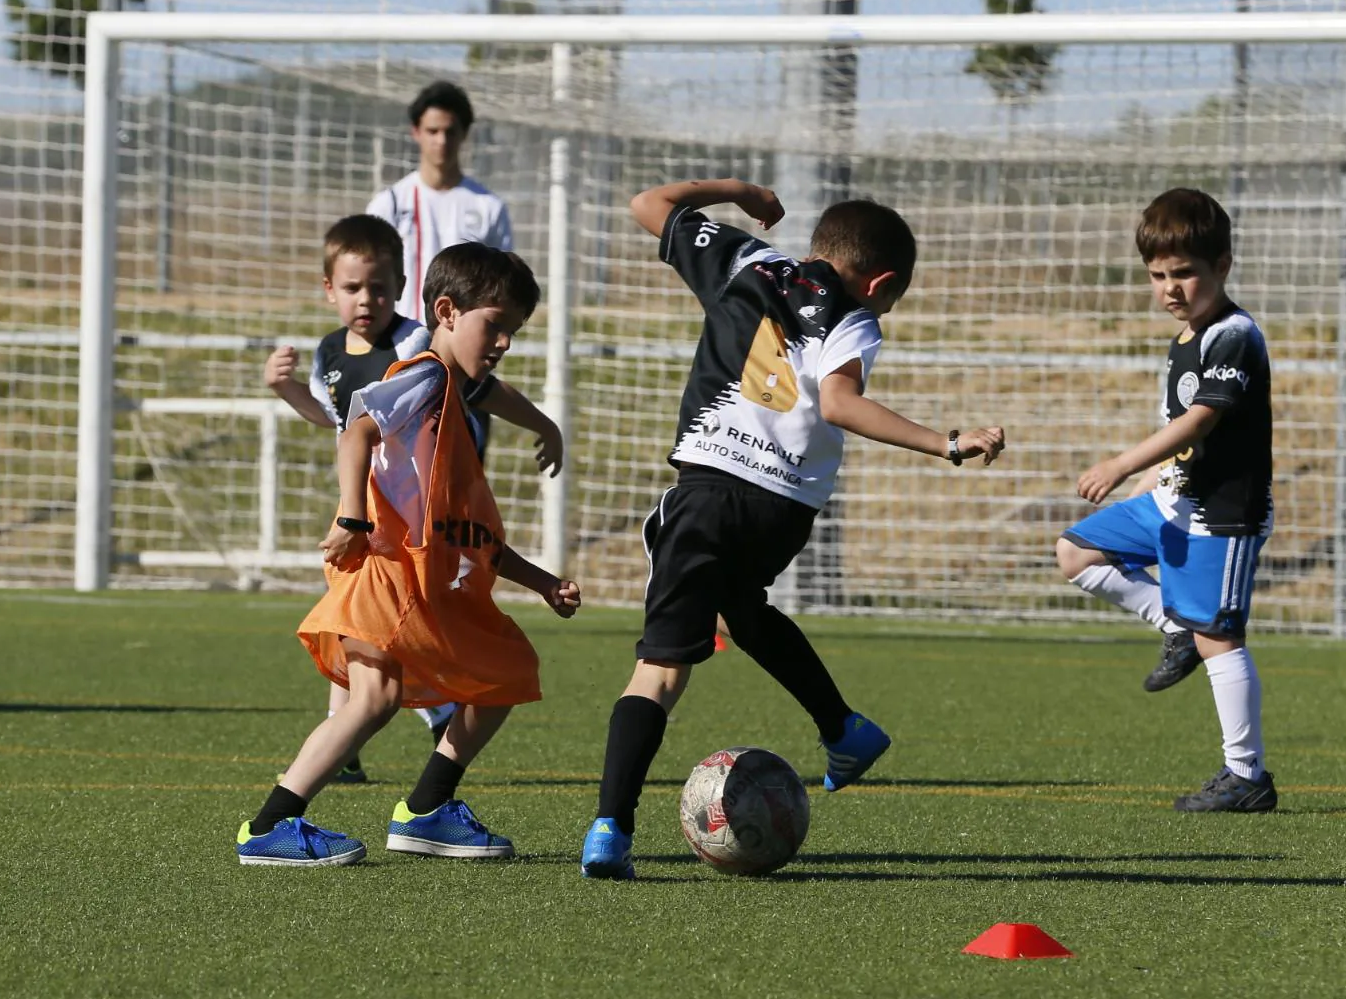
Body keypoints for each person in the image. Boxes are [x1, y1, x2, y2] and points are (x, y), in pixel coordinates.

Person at [578, 179, 1006, 880]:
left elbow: (647, 204)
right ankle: (843, 728)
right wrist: (945, 441)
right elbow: (839, 400)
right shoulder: (857, 317)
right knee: (742, 606)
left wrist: (739, 191)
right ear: (883, 280)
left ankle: (610, 829)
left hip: (710, 492)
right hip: (782, 510)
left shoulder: (748, 260)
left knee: (656, 674)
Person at [237, 243, 581, 866]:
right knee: (380, 699)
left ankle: (425, 811)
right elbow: (356, 428)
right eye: (495, 325)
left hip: (422, 579)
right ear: (447, 312)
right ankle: (274, 826)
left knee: (500, 674)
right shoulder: (423, 376)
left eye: (514, 331)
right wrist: (352, 514)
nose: (504, 341)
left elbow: (469, 530)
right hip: (390, 573)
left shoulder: (451, 393)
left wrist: (541, 581)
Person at [1055, 188, 1276, 813]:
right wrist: (1152, 487)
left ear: (1222, 267)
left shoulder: (1234, 335)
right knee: (1077, 551)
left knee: (1220, 638)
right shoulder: (1187, 335)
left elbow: (1203, 419)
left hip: (1221, 516)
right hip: (1173, 503)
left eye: (1185, 273)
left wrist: (1123, 463)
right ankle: (1172, 623)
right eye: (1158, 275)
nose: (1171, 287)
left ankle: (1246, 776)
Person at [367, 81, 512, 461]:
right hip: (399, 362)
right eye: (432, 131)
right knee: (394, 480)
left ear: (464, 134)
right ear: (416, 132)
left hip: (462, 365)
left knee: (459, 482)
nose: (441, 141)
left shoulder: (487, 207)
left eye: (450, 131)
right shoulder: (391, 203)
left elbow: (500, 293)